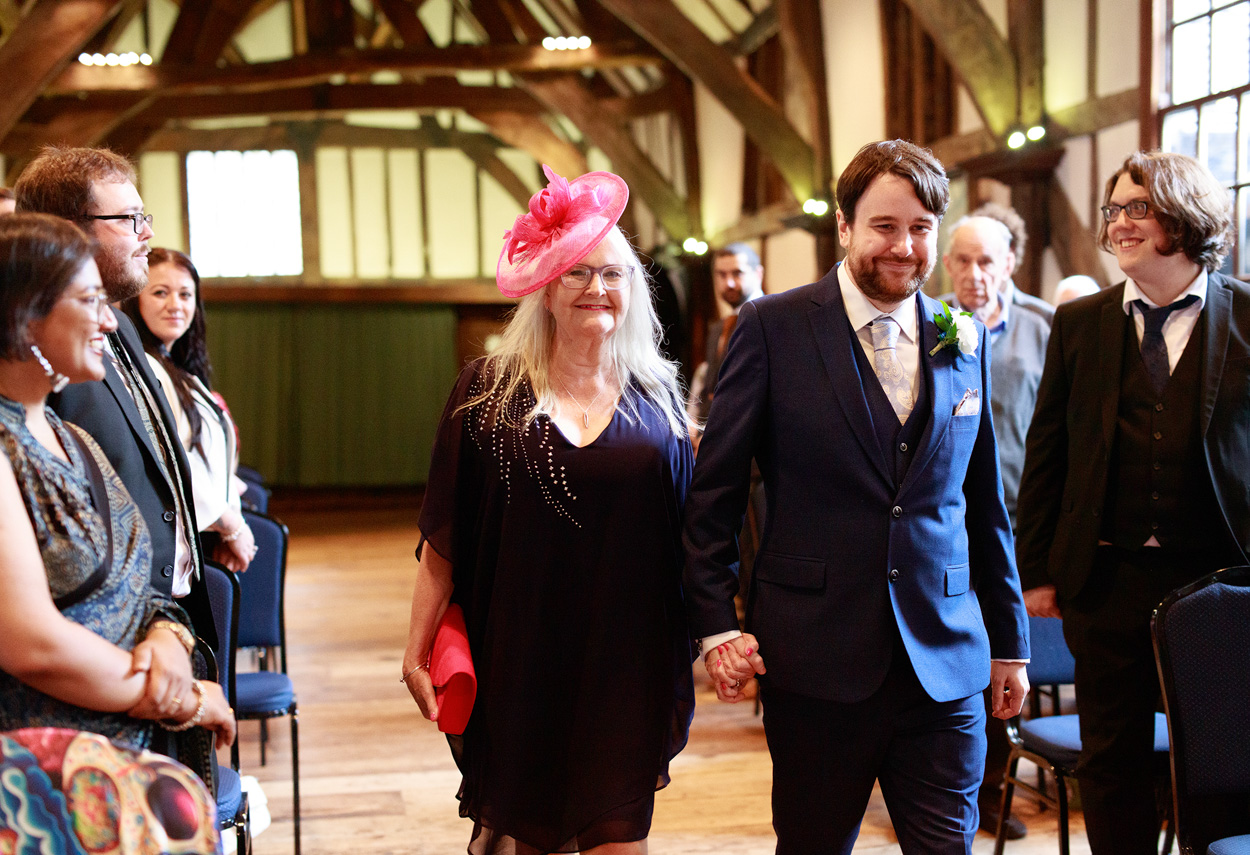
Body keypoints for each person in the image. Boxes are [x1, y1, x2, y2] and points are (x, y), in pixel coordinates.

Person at [683, 139, 1030, 854]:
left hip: (946, 660)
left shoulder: (961, 338)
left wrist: (1011, 644)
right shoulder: (773, 327)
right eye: (884, 226)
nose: (904, 246)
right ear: (844, 228)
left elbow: (982, 504)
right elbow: (713, 495)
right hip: (815, 657)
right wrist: (717, 625)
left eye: (921, 228)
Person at [402, 166, 695, 855]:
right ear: (547, 286)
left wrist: (718, 632)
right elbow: (444, 537)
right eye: (579, 273)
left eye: (615, 274)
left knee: (619, 836)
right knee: (521, 835)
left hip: (628, 658)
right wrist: (416, 646)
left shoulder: (658, 398)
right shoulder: (487, 392)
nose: (599, 287)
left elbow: (691, 535)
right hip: (520, 652)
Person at [1015, 150, 1250, 855]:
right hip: (1106, 581)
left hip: (1220, 583)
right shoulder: (1082, 322)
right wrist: (1037, 570)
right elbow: (1046, 453)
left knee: (1221, 764)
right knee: (1110, 765)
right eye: (1113, 210)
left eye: (1137, 208)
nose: (1120, 224)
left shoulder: (1246, 316)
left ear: (1186, 216)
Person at [0, 213, 235, 751]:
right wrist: (187, 699)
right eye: (90, 301)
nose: (110, 322)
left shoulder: (68, 436)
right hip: (45, 778)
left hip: (130, 750)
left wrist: (170, 635)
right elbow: (31, 645)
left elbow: (142, 583)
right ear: (24, 316)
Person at [14, 147, 215, 654]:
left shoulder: (120, 323)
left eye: (143, 216)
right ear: (66, 231)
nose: (147, 232)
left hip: (167, 613)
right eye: (129, 219)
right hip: (98, 632)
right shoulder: (40, 364)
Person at [939, 211, 1053, 839]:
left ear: (1011, 262)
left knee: (1007, 661)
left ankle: (996, 791)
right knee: (961, 659)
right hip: (950, 528)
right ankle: (962, 789)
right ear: (946, 264)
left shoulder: (1045, 327)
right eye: (962, 260)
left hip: (1020, 522)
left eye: (987, 261)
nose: (974, 274)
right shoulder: (928, 325)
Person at [121, 248, 255, 573]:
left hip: (205, 532)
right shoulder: (143, 369)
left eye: (185, 294)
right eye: (160, 293)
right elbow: (170, 462)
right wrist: (230, 524)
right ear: (134, 300)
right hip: (179, 542)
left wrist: (229, 520)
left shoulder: (177, 369)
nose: (175, 305)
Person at [687, 243, 764, 425]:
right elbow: (710, 387)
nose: (728, 283)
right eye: (722, 275)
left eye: (737, 273)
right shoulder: (718, 327)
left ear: (758, 274)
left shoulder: (769, 321)